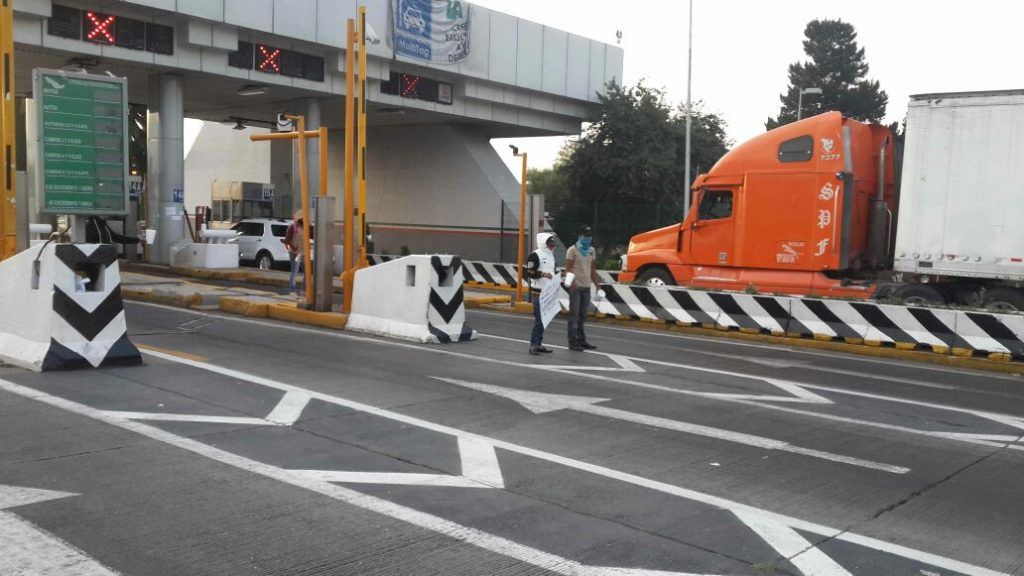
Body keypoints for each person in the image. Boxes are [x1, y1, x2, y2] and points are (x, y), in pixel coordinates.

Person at [565, 225, 601, 351]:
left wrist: (597, 284)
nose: (588, 238)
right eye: (585, 236)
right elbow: (568, 269)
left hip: (586, 286)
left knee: (582, 316)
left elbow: (592, 269)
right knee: (574, 316)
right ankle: (573, 342)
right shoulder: (572, 250)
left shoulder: (591, 250)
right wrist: (572, 282)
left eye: (589, 236)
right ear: (580, 236)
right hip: (576, 287)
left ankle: (582, 340)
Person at [523, 232, 557, 356]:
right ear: (543, 243)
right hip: (538, 293)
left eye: (553, 244)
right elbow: (529, 272)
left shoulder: (551, 256)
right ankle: (533, 345)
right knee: (539, 320)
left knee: (544, 320)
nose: (552, 246)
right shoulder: (535, 255)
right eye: (550, 244)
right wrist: (542, 274)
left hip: (548, 292)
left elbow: (552, 271)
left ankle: (539, 343)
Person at [282, 211, 305, 297]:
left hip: (301, 252)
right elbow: (287, 240)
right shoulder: (292, 227)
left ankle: (303, 290)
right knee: (294, 271)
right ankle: (292, 290)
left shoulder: (303, 227)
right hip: (294, 253)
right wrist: (294, 247)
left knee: (305, 272)